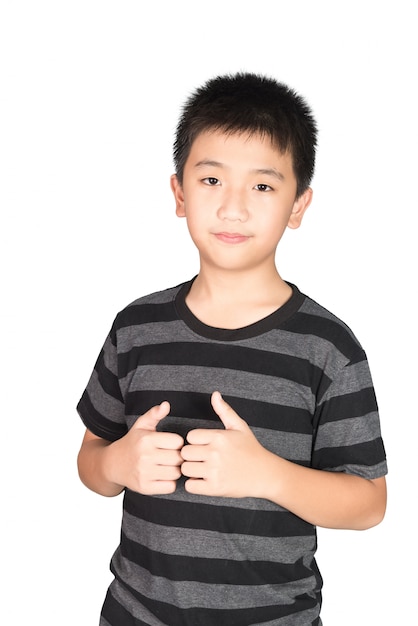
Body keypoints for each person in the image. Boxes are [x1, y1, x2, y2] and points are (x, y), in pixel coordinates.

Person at [77, 72, 387, 626]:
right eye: (212, 180)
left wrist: (267, 474)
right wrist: (117, 462)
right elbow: (91, 462)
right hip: (134, 614)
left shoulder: (327, 349)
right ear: (179, 193)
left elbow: (368, 504)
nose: (234, 207)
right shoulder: (136, 327)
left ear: (298, 205)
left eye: (263, 186)